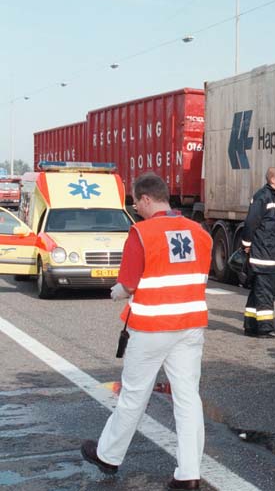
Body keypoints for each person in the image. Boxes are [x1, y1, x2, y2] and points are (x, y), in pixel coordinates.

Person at [80, 172, 212, 490]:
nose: (136, 208)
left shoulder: (142, 233)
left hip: (152, 326)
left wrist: (117, 292)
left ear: (147, 199)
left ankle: (109, 456)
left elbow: (128, 284)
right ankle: (189, 474)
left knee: (134, 395)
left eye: (137, 202)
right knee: (187, 398)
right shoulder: (200, 233)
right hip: (191, 325)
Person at [241, 167, 275, 339]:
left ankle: (251, 325)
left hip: (267, 252)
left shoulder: (271, 197)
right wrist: (246, 244)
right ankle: (265, 328)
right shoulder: (263, 196)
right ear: (272, 180)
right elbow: (251, 222)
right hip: (264, 255)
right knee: (265, 292)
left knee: (257, 291)